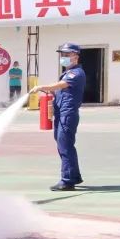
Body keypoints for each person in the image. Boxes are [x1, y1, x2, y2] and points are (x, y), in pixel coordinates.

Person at [31, 43, 87, 192]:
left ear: (76, 56)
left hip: (67, 115)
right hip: (61, 114)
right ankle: (73, 176)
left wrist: (42, 87)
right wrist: (52, 93)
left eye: (67, 55)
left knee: (65, 146)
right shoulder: (67, 72)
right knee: (63, 145)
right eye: (62, 55)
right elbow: (62, 91)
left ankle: (67, 181)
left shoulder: (76, 73)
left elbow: (61, 85)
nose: (64, 57)